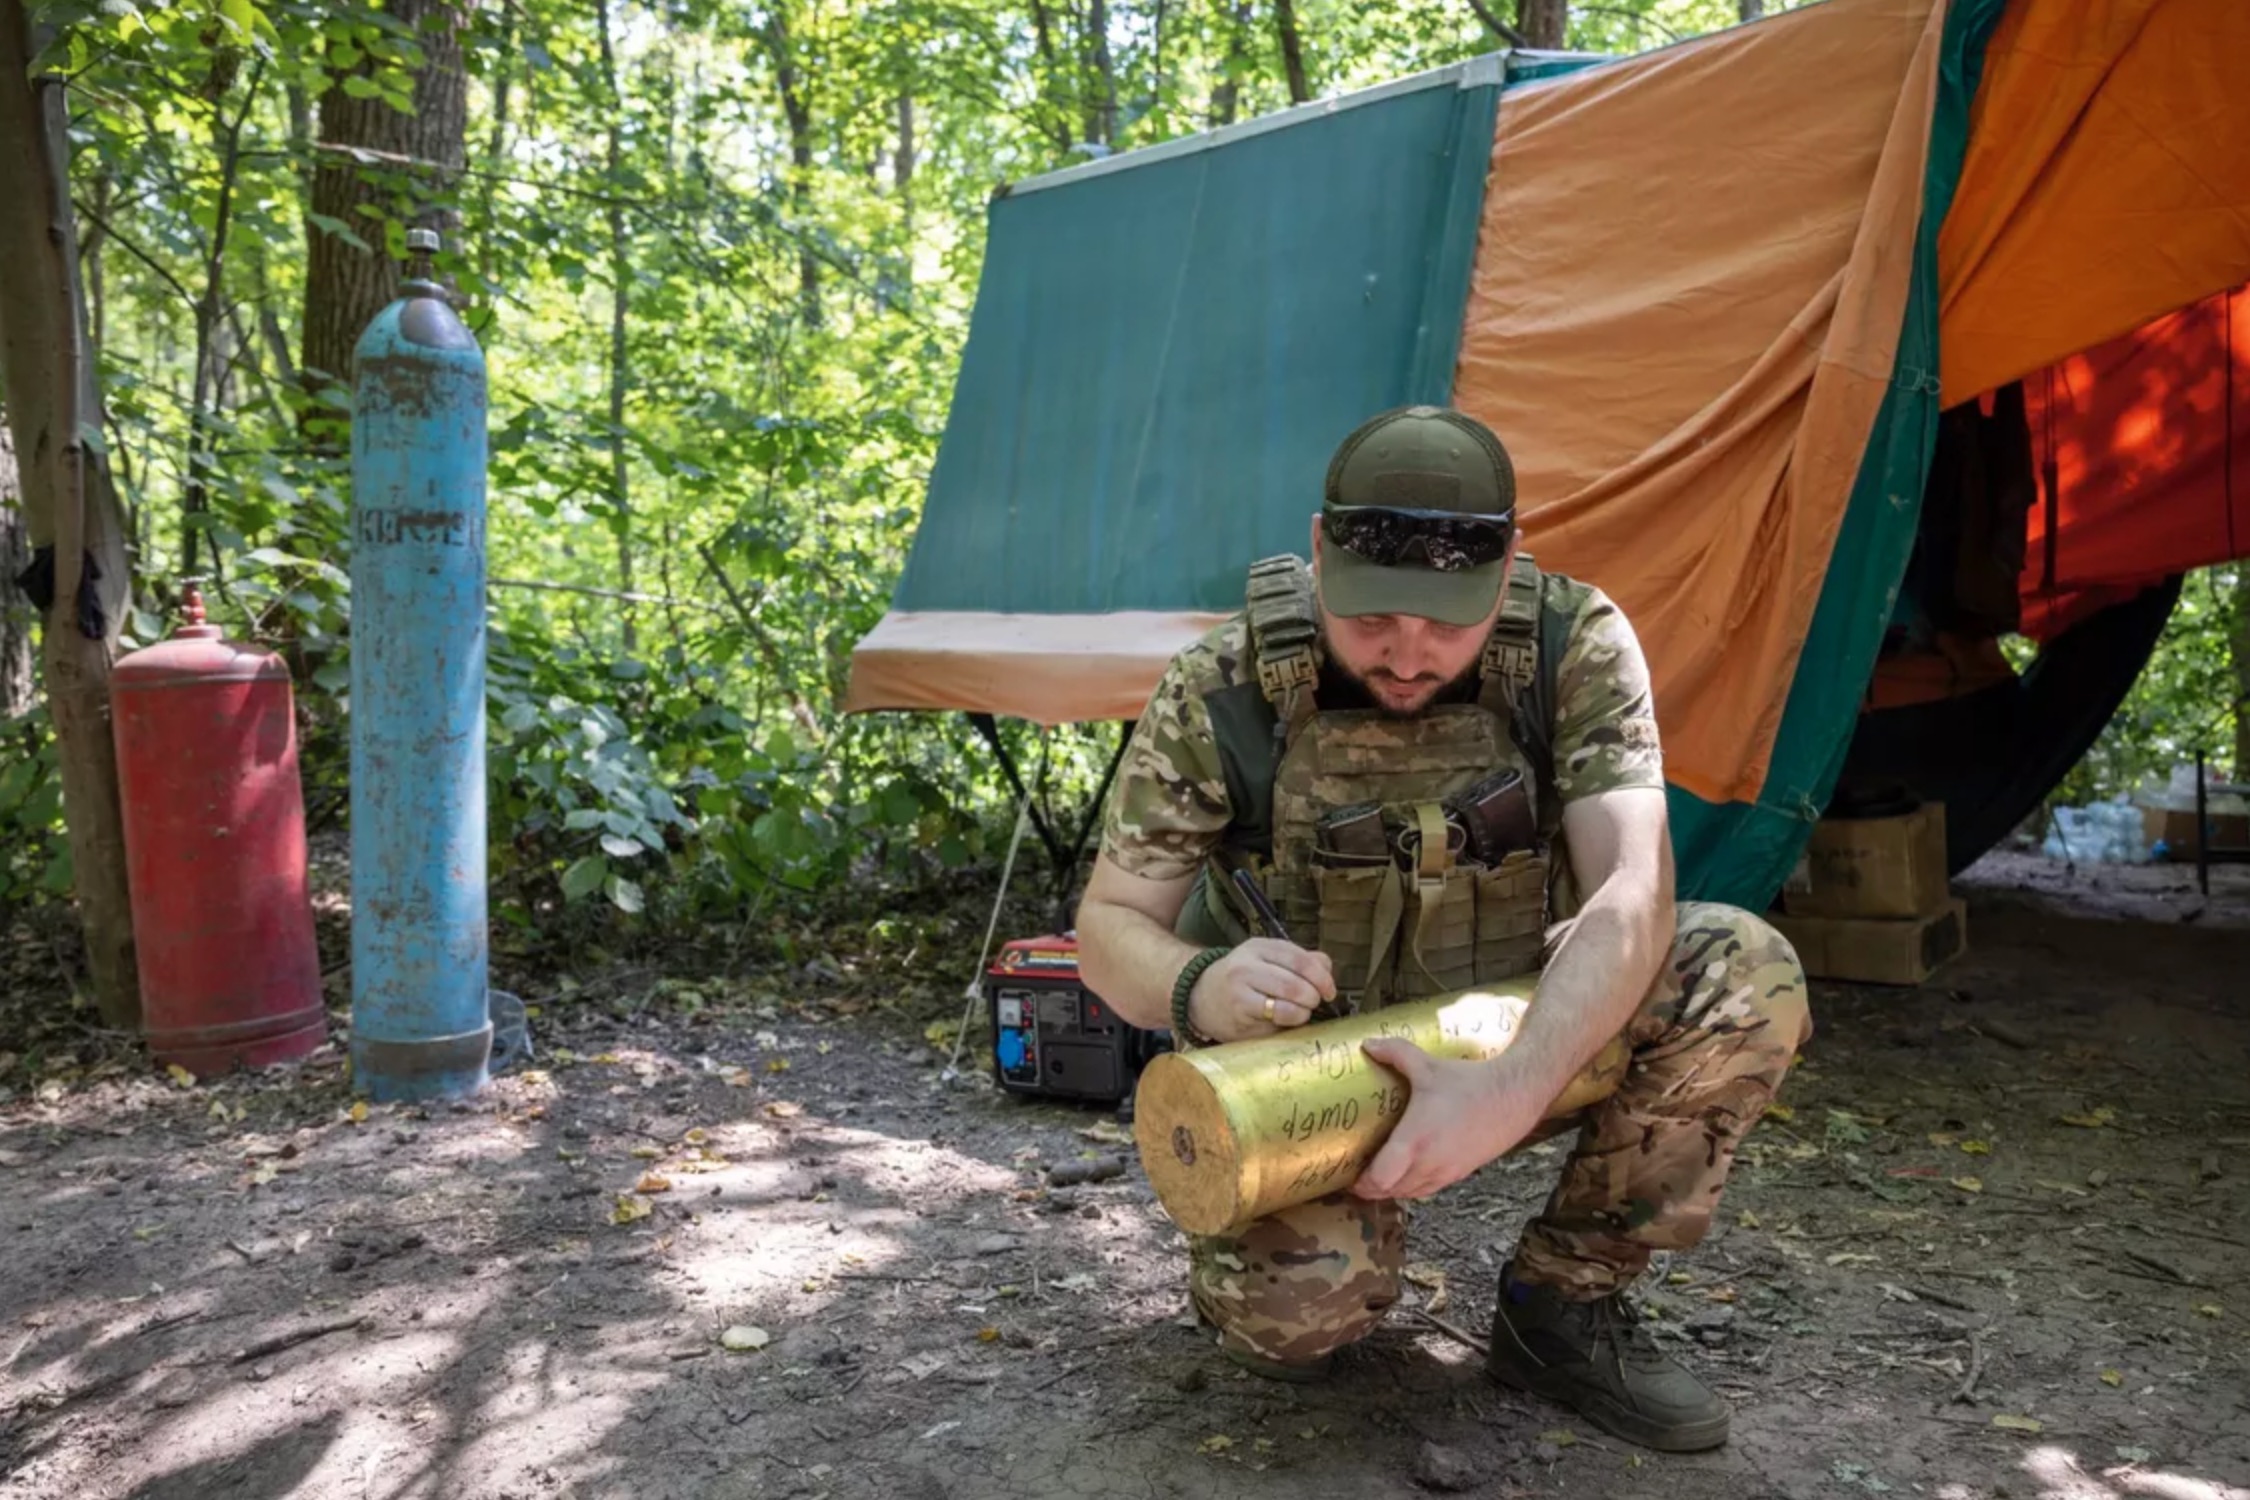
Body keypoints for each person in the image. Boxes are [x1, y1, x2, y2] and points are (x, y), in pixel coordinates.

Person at [1075, 405, 1810, 1454]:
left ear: (1508, 570)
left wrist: (1505, 1095)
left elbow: (1633, 890)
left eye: (1447, 622)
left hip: (1520, 1026)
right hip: (1323, 1068)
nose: (1408, 655)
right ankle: (1320, 1248)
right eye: (1371, 618)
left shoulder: (1575, 642)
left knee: (1741, 968)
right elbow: (1106, 926)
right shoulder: (1223, 689)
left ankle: (1562, 1303)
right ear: (1321, 554)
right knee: (1293, 1326)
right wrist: (1201, 984)